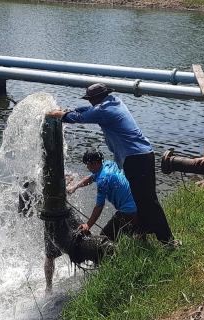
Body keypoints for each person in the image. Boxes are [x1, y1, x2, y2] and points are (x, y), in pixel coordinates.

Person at [46, 83, 180, 246]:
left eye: (90, 100)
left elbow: (78, 117)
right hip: (145, 154)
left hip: (135, 158)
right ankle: (144, 234)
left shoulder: (103, 110)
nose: (90, 103)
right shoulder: (115, 102)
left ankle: (169, 241)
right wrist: (68, 109)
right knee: (142, 200)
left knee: (148, 202)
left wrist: (58, 114)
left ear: (96, 99)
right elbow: (83, 110)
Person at [17, 176, 76, 297]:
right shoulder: (46, 182)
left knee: (50, 256)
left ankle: (48, 289)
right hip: (66, 216)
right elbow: (69, 178)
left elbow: (25, 214)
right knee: (76, 241)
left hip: (51, 224)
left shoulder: (24, 192)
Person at [67, 148, 138, 241]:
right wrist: (74, 187)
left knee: (104, 238)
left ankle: (111, 254)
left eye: (88, 164)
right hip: (137, 204)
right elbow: (90, 178)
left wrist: (88, 225)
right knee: (133, 234)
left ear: (95, 163)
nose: (87, 168)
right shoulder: (108, 164)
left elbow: (99, 207)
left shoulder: (102, 181)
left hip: (128, 211)